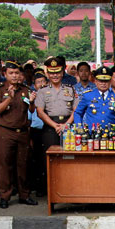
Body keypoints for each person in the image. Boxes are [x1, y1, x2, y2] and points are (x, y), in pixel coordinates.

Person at [0, 61, 37, 209]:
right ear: (5, 74)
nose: (14, 76)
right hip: (6, 132)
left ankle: (24, 195)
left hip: (23, 132)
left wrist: (31, 102)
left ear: (21, 75)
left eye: (17, 73)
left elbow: (31, 110)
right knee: (5, 165)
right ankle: (5, 196)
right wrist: (9, 98)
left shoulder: (25, 89)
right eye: (11, 73)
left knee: (23, 165)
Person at [35, 58, 76, 197]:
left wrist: (66, 125)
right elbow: (40, 112)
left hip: (68, 125)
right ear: (47, 73)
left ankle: (67, 188)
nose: (55, 75)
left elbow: (76, 110)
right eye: (52, 73)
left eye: (57, 72)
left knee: (68, 158)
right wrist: (55, 126)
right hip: (50, 127)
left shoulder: (70, 89)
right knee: (49, 159)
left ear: (62, 72)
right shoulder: (42, 91)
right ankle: (49, 190)